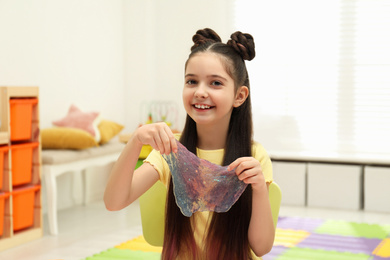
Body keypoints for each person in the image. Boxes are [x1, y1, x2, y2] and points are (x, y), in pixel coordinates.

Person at [104, 28, 275, 260]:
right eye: (192, 81)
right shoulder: (170, 150)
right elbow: (114, 202)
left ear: (239, 96)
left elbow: (262, 247)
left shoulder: (254, 156)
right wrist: (135, 141)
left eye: (215, 83)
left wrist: (259, 187)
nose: (200, 92)